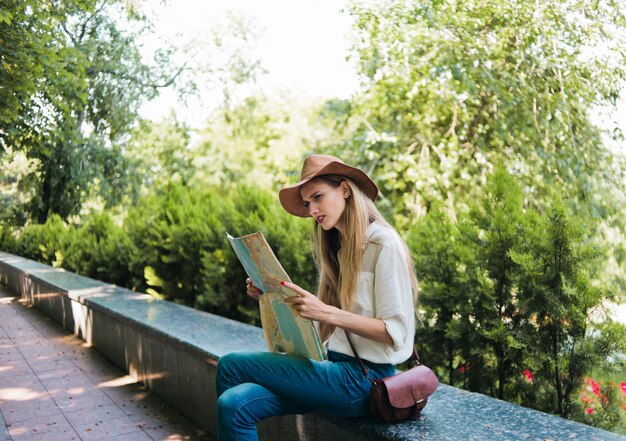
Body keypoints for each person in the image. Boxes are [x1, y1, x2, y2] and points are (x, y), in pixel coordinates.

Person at [215, 154, 419, 441]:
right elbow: (323, 330)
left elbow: (396, 333)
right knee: (234, 405)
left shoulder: (384, 244)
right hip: (332, 371)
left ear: (345, 190)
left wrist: (325, 312)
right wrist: (272, 295)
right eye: (308, 203)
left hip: (364, 381)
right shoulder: (339, 248)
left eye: (317, 197)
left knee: (231, 364)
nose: (312, 209)